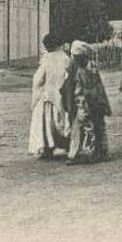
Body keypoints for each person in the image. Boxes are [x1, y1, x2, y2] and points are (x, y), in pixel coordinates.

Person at [29, 32, 74, 160]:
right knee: (63, 121)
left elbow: (37, 79)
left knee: (46, 124)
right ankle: (68, 144)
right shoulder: (65, 58)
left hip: (48, 96)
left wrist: (39, 92)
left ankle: (48, 149)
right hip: (62, 95)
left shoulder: (47, 59)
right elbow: (68, 76)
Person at [67, 41, 112, 165]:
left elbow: (83, 87)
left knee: (90, 127)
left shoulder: (84, 69)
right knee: (91, 127)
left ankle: (96, 152)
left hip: (88, 102)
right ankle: (95, 152)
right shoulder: (89, 67)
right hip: (88, 101)